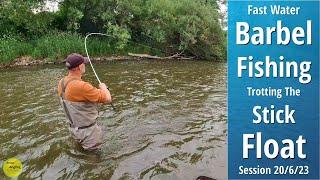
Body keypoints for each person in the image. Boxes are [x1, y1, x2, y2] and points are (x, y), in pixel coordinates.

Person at [57, 53, 112, 150]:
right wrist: (104, 88)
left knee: (82, 154)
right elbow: (108, 99)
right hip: (88, 133)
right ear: (79, 67)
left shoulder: (61, 82)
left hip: (73, 130)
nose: (85, 65)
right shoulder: (82, 86)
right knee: (94, 160)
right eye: (84, 63)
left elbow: (79, 96)